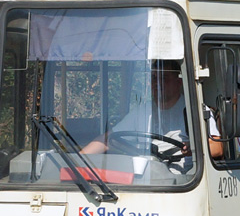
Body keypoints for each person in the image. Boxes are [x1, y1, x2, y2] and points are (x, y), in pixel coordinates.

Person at [82, 60, 222, 163]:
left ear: (179, 82)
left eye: (164, 78)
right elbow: (107, 140)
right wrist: (78, 161)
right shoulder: (142, 111)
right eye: (154, 78)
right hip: (146, 180)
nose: (157, 83)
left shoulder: (196, 109)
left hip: (184, 181)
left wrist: (194, 148)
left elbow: (217, 147)